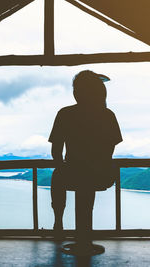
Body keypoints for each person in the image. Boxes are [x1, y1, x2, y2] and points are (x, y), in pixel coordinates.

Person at [49, 70, 122, 256]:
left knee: (57, 176)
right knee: (86, 196)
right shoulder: (107, 115)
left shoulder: (65, 114)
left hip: (71, 171)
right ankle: (84, 239)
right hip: (100, 172)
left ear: (77, 92)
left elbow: (56, 150)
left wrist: (62, 166)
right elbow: (110, 149)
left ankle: (59, 223)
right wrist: (98, 164)